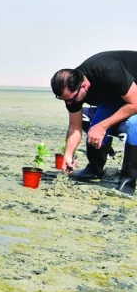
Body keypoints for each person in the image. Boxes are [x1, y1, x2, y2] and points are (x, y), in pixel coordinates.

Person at [52, 50, 137, 194]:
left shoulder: (108, 70)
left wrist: (103, 126)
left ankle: (128, 181)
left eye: (72, 99)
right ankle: (95, 169)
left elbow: (135, 103)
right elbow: (75, 128)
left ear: (84, 85)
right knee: (94, 129)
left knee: (133, 125)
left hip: (133, 94)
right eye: (65, 100)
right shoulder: (71, 93)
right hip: (116, 94)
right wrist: (68, 153)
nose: (70, 103)